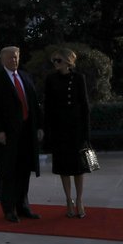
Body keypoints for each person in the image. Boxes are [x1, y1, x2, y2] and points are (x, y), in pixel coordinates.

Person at [0, 46, 44, 223]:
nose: (14, 60)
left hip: (27, 132)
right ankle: (9, 209)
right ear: (3, 60)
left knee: (24, 170)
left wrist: (39, 126)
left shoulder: (26, 77)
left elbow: (34, 103)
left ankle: (23, 206)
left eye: (16, 57)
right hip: (8, 134)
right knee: (8, 171)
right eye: (10, 58)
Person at [43, 48, 91, 218]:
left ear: (68, 61)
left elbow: (84, 105)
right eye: (54, 61)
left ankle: (79, 200)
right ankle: (68, 200)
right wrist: (47, 129)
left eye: (58, 60)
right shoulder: (51, 79)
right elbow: (47, 105)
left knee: (79, 168)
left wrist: (86, 132)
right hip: (59, 129)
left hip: (76, 129)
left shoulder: (79, 78)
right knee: (64, 167)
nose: (55, 64)